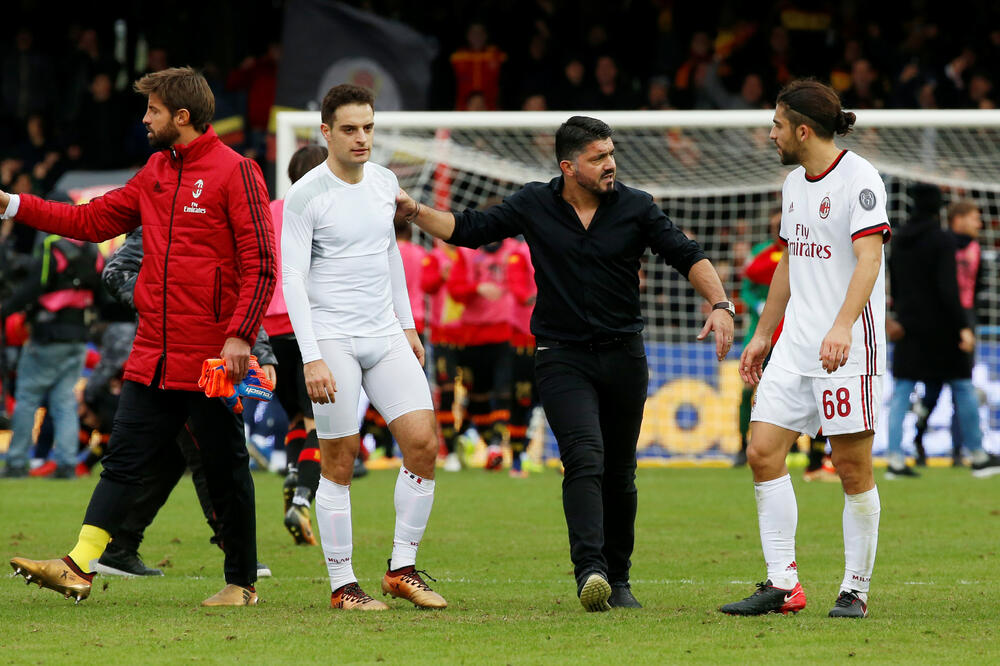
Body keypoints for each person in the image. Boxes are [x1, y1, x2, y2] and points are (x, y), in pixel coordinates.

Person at [395, 115, 735, 612]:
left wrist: (721, 305)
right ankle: (590, 571)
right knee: (583, 455)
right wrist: (415, 209)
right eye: (599, 157)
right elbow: (469, 229)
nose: (611, 165)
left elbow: (687, 255)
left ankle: (618, 579)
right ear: (569, 166)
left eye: (612, 154)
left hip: (624, 355)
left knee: (620, 471)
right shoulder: (535, 202)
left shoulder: (637, 207)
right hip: (561, 356)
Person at [5, 66, 276, 606]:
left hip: (211, 358)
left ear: (182, 116)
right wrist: (12, 203)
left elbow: (263, 265)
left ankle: (241, 584)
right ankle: (79, 566)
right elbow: (88, 222)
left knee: (225, 469)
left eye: (152, 110)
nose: (144, 119)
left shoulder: (236, 170)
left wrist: (241, 337)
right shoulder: (154, 170)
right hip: (153, 352)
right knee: (123, 461)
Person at [720, 79, 889, 620]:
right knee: (762, 452)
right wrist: (764, 334)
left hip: (848, 347)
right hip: (794, 347)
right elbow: (789, 264)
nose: (770, 134)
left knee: (850, 468)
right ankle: (782, 583)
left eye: (775, 124)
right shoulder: (795, 184)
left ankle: (855, 589)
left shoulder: (860, 179)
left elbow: (868, 261)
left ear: (801, 129)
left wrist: (841, 327)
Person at [281, 84, 446, 611]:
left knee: (424, 442)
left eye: (368, 127)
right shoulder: (306, 195)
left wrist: (408, 324)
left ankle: (401, 568)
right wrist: (311, 356)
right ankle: (343, 585)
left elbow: (390, 255)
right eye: (350, 129)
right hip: (332, 339)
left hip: (384, 334)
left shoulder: (385, 182)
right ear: (326, 132)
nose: (361, 138)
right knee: (340, 459)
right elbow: (292, 280)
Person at [91, 227, 277, 579]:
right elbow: (117, 272)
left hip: (209, 360)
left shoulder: (220, 223)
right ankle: (237, 550)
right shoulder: (162, 219)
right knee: (209, 454)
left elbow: (241, 291)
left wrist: (262, 349)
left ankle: (119, 546)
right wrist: (165, 309)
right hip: (173, 361)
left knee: (173, 457)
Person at [886, 191, 999, 478]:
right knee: (962, 385)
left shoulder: (898, 239)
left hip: (907, 325)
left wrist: (894, 316)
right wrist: (962, 325)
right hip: (942, 327)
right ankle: (977, 455)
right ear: (940, 211)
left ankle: (896, 459)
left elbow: (894, 283)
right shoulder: (943, 240)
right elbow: (948, 288)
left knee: (902, 390)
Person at [263, 144, 329, 547]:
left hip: (268, 330)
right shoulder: (323, 211)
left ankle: (291, 476)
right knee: (319, 424)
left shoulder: (268, 210)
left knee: (293, 420)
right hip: (308, 325)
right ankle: (303, 498)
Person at [0, 234, 101, 478]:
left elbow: (36, 284)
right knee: (65, 402)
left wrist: (6, 310)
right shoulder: (91, 247)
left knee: (27, 398)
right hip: (78, 335)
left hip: (47, 334)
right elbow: (100, 287)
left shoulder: (52, 245)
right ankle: (66, 464)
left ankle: (15, 462)